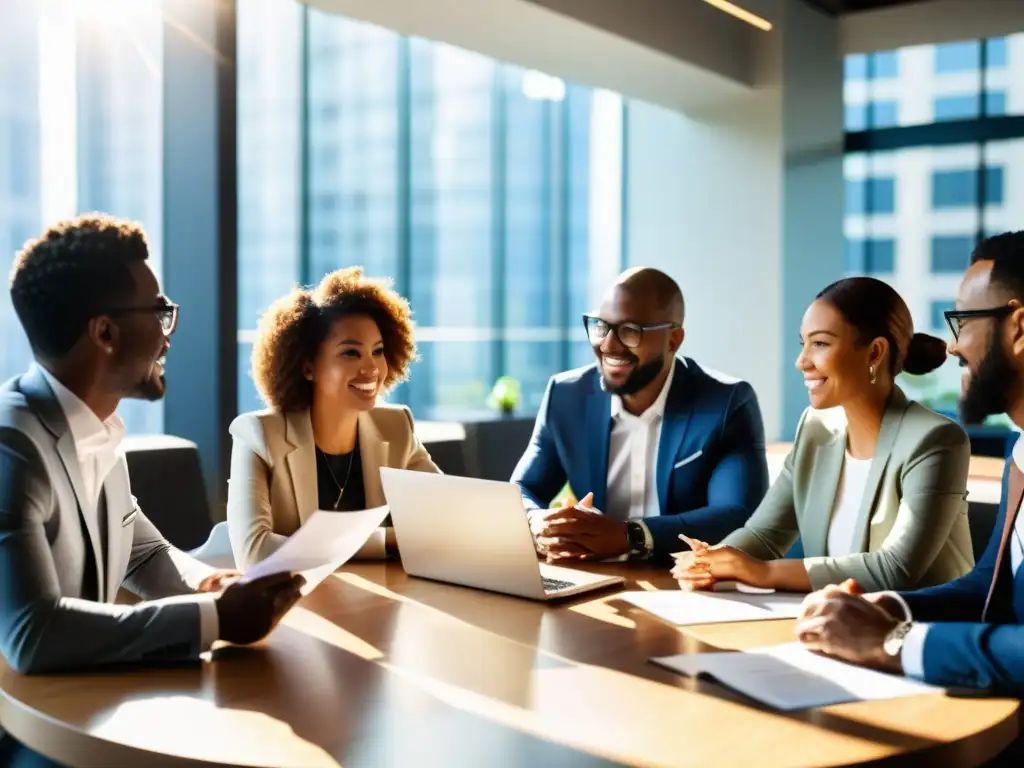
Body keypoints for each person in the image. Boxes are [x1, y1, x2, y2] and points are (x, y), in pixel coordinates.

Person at [0, 215, 304, 766]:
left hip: (83, 708)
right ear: (105, 333)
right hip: (27, 739)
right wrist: (216, 620)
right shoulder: (12, 446)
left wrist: (208, 584)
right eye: (160, 313)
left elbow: (141, 549)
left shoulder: (96, 427)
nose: (169, 331)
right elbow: (33, 634)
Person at [795, 232, 1024, 765]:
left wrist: (895, 641)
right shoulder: (1021, 450)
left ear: (1018, 327)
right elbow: (987, 589)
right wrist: (885, 607)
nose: (951, 346)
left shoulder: (934, 438)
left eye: (963, 322)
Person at [671, 277, 972, 594]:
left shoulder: (936, 439)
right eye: (804, 344)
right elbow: (764, 535)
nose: (802, 361)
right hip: (838, 625)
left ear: (874, 353)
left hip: (921, 630)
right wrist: (709, 562)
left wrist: (759, 572)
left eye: (821, 344)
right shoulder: (816, 426)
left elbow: (895, 569)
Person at [511, 267, 769, 563]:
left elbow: (736, 514)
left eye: (630, 330)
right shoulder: (567, 395)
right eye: (600, 326)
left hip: (683, 579)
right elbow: (524, 487)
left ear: (673, 340)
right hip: (594, 575)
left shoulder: (726, 403)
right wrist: (537, 521)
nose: (607, 344)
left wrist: (632, 535)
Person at [227, 266, 439, 570]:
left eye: (377, 351)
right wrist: (387, 541)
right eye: (351, 353)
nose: (371, 369)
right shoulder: (258, 435)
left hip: (375, 601)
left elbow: (444, 523)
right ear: (308, 366)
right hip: (297, 608)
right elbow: (255, 552)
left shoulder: (396, 427)